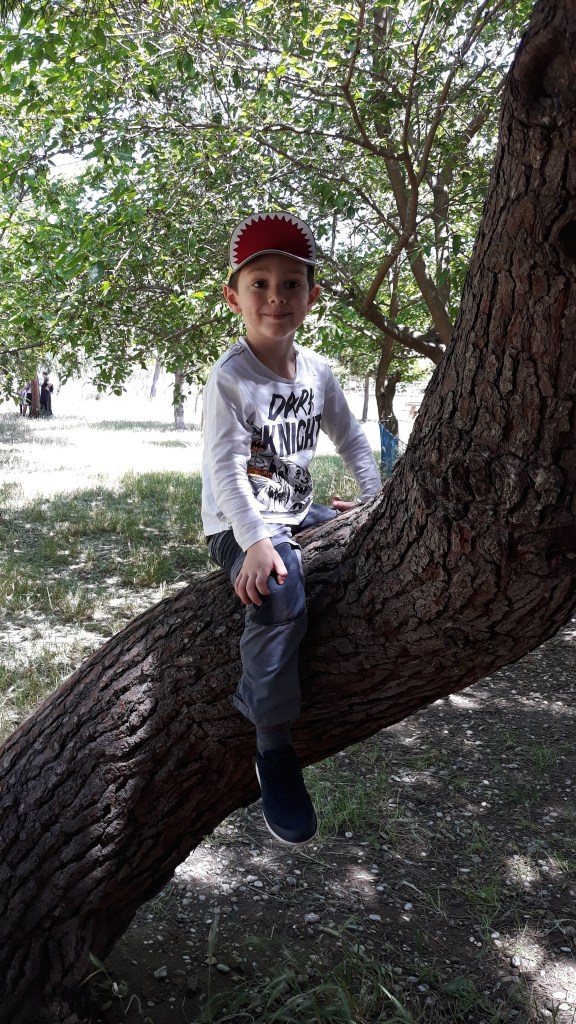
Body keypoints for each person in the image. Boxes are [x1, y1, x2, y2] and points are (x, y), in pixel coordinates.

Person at [201, 211, 381, 848]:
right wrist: (253, 543)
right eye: (260, 284)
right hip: (238, 522)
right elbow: (225, 471)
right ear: (235, 298)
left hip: (296, 511)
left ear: (312, 296)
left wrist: (375, 503)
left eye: (291, 284)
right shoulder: (231, 378)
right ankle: (272, 745)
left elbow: (352, 440)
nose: (276, 297)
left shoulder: (317, 373)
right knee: (279, 593)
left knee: (365, 546)